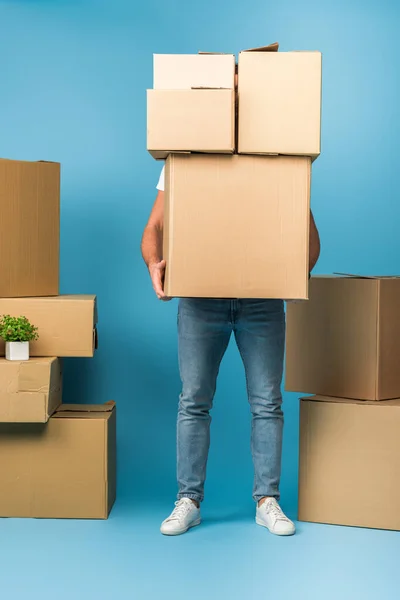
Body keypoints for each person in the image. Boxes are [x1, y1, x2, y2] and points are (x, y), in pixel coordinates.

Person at [141, 164, 321, 537]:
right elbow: (154, 227)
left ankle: (267, 500)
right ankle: (188, 500)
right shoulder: (185, 159)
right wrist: (154, 263)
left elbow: (310, 238)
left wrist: (293, 271)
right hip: (200, 299)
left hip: (262, 300)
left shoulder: (278, 161)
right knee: (194, 399)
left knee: (267, 401)